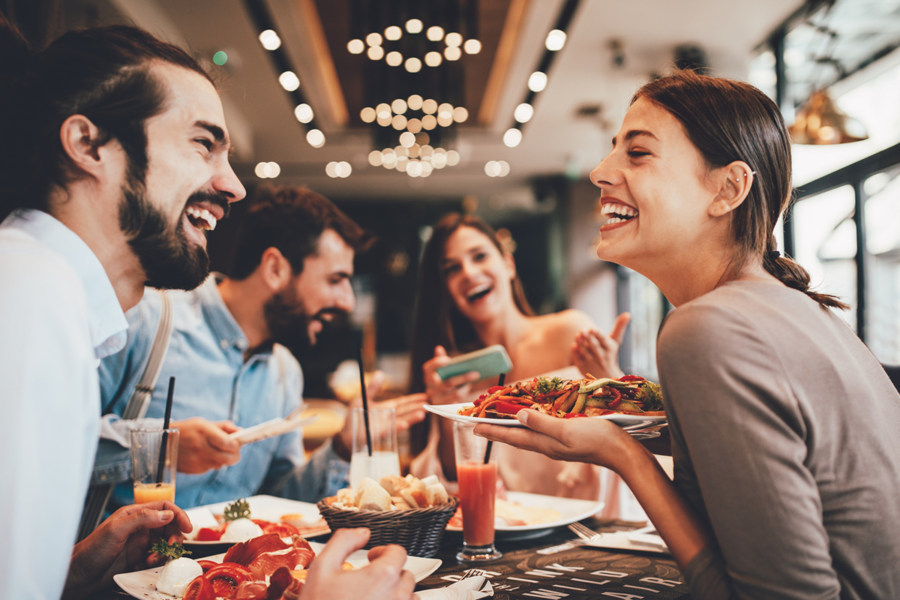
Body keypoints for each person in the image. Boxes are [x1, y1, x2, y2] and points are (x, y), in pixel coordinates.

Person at [0, 18, 414, 600]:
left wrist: (68, 577)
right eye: (203, 143)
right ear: (89, 145)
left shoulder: (49, 294)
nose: (234, 186)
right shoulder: (30, 297)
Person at [475, 70, 900, 599]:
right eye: (613, 151)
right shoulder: (806, 314)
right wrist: (637, 425)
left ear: (728, 189)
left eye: (638, 153)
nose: (600, 172)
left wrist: (623, 453)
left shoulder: (707, 326)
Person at [97, 186, 427, 509]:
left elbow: (282, 500)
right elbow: (55, 439)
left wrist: (342, 446)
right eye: (335, 280)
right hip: (122, 562)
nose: (347, 301)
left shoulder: (285, 372)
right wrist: (161, 447)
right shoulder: (145, 320)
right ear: (275, 269)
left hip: (228, 564)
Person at [408, 214, 637, 514]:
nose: (468, 272)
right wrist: (444, 410)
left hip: (592, 522)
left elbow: (626, 437)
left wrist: (612, 378)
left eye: (479, 256)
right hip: (508, 537)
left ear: (508, 264)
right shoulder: (458, 376)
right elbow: (456, 479)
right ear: (446, 289)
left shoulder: (568, 333)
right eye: (452, 269)